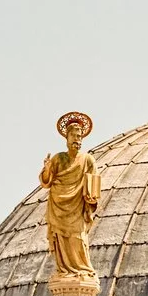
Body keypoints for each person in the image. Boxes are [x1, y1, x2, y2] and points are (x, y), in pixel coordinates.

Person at [41, 112, 101, 281]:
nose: (77, 139)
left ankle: (81, 269)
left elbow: (94, 182)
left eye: (79, 136)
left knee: (78, 238)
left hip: (78, 207)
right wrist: (47, 169)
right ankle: (64, 269)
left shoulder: (88, 160)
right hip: (58, 205)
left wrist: (91, 197)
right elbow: (46, 181)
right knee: (61, 239)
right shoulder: (58, 159)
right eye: (74, 136)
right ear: (67, 138)